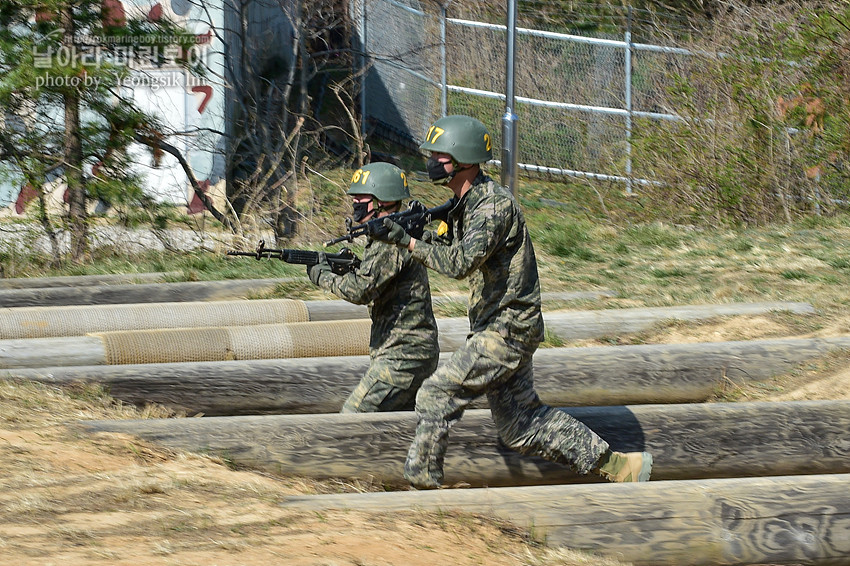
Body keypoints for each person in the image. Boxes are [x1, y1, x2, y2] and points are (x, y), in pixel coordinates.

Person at [372, 115, 652, 488]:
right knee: (519, 426)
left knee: (437, 393)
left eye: (439, 155)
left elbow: (459, 264)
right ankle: (621, 467)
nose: (432, 161)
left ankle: (423, 483)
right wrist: (421, 230)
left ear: (463, 159)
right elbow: (455, 248)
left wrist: (406, 241)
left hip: (507, 329)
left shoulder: (492, 207)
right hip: (502, 327)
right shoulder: (466, 204)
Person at [307, 162, 440, 413]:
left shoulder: (390, 242)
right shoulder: (392, 235)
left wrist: (323, 276)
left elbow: (361, 290)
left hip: (403, 356)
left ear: (382, 199)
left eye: (362, 197)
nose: (355, 201)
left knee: (353, 418)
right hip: (410, 353)